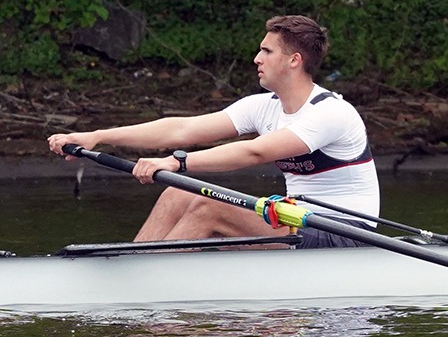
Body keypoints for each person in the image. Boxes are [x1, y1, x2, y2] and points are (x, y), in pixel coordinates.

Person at [46, 14, 379, 247]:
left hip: (347, 233)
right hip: (297, 221)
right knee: (177, 193)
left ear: (294, 60)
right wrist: (98, 136)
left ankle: (145, 284)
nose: (256, 58)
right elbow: (181, 129)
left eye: (266, 51)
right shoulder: (263, 107)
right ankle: (132, 267)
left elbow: (255, 151)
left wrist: (177, 162)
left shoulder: (331, 112)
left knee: (211, 207)